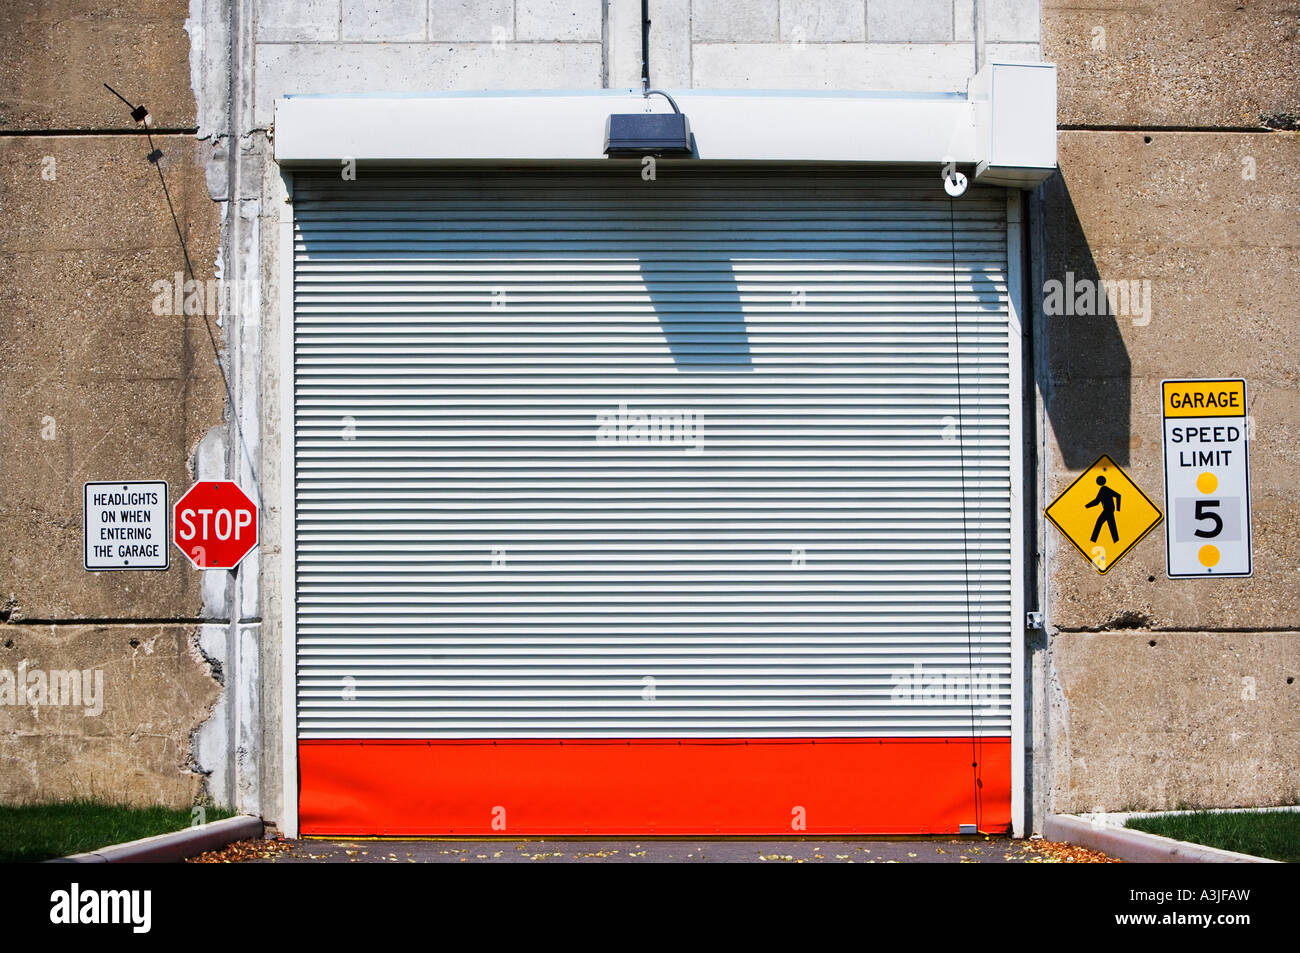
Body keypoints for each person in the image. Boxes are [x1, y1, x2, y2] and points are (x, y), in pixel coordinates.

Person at [1086, 475, 1121, 543]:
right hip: (1109, 510)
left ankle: (1093, 540)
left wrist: (1118, 509)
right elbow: (1097, 501)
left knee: (1099, 522)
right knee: (1112, 525)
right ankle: (1116, 541)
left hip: (1108, 510)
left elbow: (1097, 501)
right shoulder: (1104, 489)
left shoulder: (1104, 489)